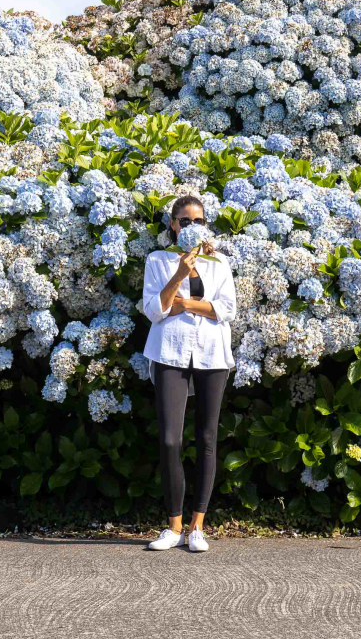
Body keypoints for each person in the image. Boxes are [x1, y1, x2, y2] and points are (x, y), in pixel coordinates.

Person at [141, 195, 236, 553]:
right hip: (169, 352)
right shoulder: (158, 260)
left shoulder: (219, 262)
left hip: (212, 353)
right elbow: (154, 309)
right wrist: (179, 274)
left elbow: (227, 309)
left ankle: (198, 525)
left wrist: (183, 304)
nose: (190, 226)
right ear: (173, 225)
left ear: (205, 224)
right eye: (184, 220)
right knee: (170, 440)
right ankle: (173, 526)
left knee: (207, 438)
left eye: (197, 220)